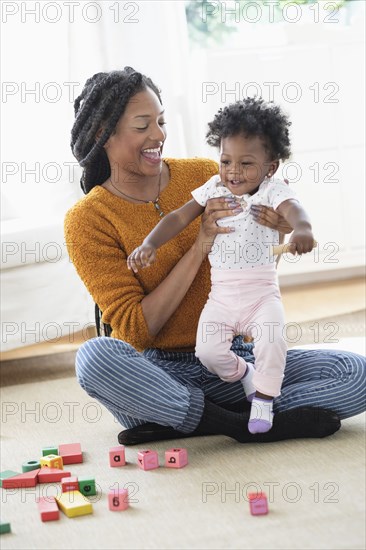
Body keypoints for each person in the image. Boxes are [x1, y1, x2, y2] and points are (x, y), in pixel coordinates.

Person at [64, 67, 365, 446]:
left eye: (160, 121)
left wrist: (275, 232)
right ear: (101, 134)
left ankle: (206, 418)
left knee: (355, 373)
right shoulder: (88, 220)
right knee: (95, 359)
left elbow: (251, 272)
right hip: (162, 373)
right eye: (142, 125)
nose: (158, 135)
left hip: (237, 358)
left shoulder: (210, 173)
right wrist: (199, 244)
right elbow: (137, 331)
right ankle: (242, 423)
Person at [126, 97, 315, 435]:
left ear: (270, 167)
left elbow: (295, 211)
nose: (233, 171)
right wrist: (150, 243)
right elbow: (178, 216)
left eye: (246, 163)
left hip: (262, 295)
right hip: (222, 297)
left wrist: (301, 229)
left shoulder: (272, 191)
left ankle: (264, 401)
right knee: (208, 352)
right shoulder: (214, 187)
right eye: (226, 161)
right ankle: (244, 374)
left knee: (273, 342)